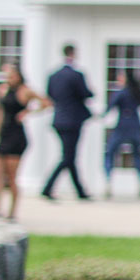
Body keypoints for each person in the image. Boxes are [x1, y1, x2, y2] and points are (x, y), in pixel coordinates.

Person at [0, 63, 51, 221]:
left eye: (11, 76)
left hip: (16, 136)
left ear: (18, 76)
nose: (9, 79)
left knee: (11, 176)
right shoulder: (3, 89)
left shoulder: (25, 91)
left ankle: (12, 212)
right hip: (3, 134)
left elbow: (46, 103)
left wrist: (28, 112)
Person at [42, 43, 94, 200]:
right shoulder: (76, 75)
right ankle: (47, 188)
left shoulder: (53, 76)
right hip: (72, 120)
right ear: (73, 54)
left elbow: (50, 95)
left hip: (58, 119)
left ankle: (80, 191)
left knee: (69, 156)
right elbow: (85, 93)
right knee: (68, 157)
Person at [101, 70, 140, 199]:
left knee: (110, 152)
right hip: (135, 126)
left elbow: (110, 106)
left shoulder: (121, 92)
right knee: (137, 155)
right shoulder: (136, 92)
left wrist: (101, 115)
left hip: (122, 126)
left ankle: (108, 182)